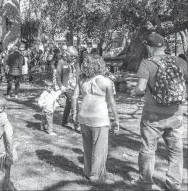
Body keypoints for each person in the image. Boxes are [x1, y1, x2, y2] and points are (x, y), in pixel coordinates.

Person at [130, 34, 188, 191]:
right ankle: (174, 184)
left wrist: (134, 91)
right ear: (164, 46)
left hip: (152, 114)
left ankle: (145, 183)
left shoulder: (147, 63)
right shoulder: (181, 62)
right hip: (175, 113)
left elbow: (141, 88)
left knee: (148, 149)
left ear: (149, 47)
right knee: (176, 151)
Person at [72, 54, 119, 185]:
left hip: (83, 117)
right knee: (100, 149)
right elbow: (111, 101)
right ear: (100, 64)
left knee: (87, 147)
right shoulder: (106, 81)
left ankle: (88, 172)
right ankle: (96, 176)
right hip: (99, 119)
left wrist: (74, 113)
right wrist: (116, 119)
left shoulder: (81, 80)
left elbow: (74, 97)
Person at [56, 46, 80, 131]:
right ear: (67, 54)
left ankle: (64, 120)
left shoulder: (76, 63)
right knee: (75, 103)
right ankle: (77, 125)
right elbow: (58, 76)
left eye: (75, 56)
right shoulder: (61, 62)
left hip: (75, 86)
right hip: (66, 87)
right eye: (72, 56)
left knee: (69, 104)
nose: (73, 58)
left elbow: (78, 74)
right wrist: (61, 86)